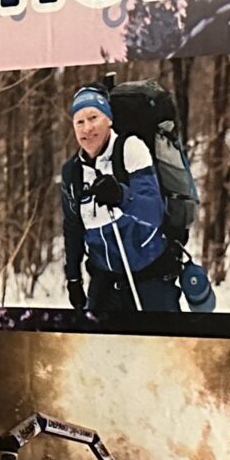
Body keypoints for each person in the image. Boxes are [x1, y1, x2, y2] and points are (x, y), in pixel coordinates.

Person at [59, 85, 181, 311]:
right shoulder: (72, 172)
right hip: (104, 282)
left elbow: (154, 212)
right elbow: (73, 228)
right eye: (80, 121)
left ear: (109, 120)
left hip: (149, 277)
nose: (87, 128)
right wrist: (73, 279)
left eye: (93, 117)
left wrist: (121, 196)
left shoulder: (130, 148)